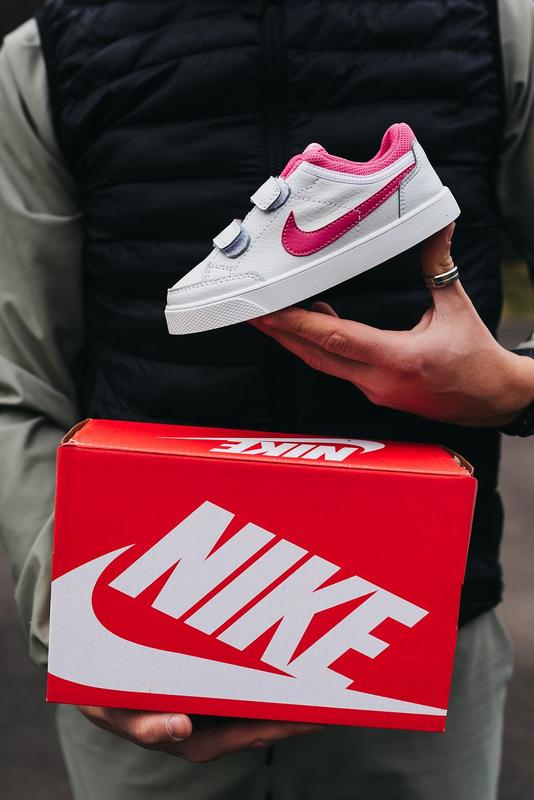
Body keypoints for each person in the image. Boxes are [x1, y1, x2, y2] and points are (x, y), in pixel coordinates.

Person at [0, 0, 533, 798]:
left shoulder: (501, 27)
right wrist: (70, 616)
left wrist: (517, 388)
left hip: (415, 629)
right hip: (150, 630)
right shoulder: (45, 55)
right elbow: (16, 378)